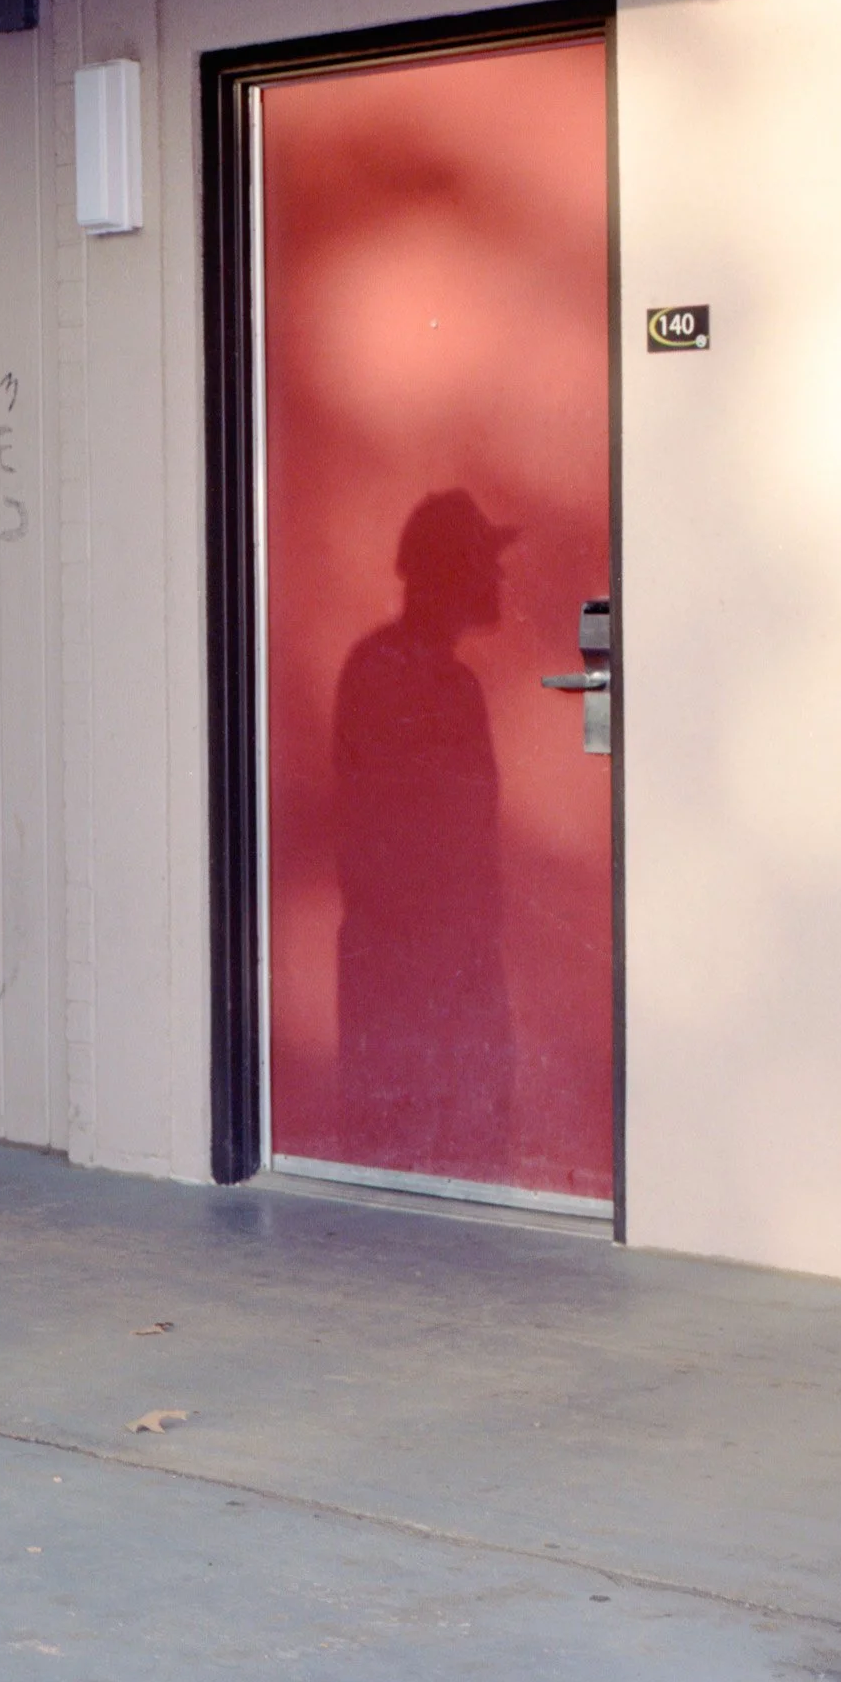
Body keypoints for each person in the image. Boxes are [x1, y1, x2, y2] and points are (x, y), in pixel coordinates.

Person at [332, 489, 517, 1178]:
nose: (498, 580)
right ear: (448, 570)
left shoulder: (443, 680)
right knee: (412, 1139)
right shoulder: (393, 674)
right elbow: (397, 843)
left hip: (447, 961)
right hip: (410, 965)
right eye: (482, 562)